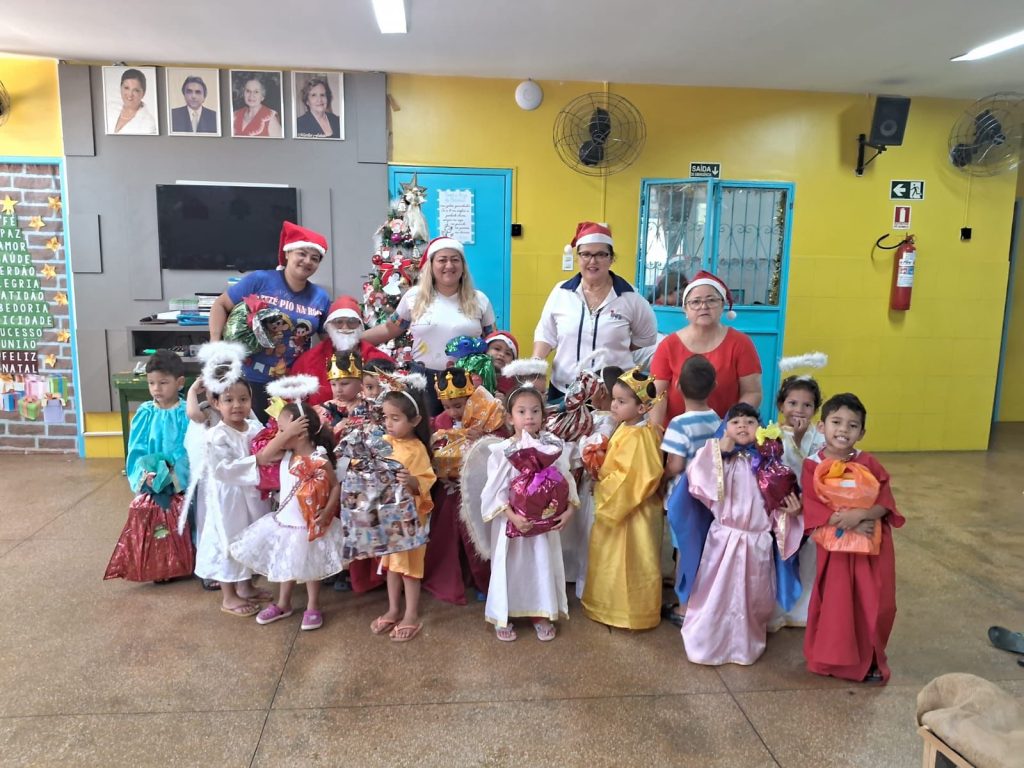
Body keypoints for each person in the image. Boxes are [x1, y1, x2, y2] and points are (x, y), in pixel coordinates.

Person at [681, 403, 802, 666]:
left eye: (749, 421)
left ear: (760, 427)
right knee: (715, 594)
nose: (743, 426)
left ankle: (745, 645)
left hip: (757, 541)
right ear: (725, 428)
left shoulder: (770, 465)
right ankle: (706, 642)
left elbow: (781, 503)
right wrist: (718, 450)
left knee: (752, 596)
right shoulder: (718, 457)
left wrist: (792, 511)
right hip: (723, 539)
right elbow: (697, 481)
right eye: (735, 422)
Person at [192, 349, 303, 617]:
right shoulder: (216, 436)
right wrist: (258, 460)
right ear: (215, 403)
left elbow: (268, 447)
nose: (237, 405)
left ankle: (245, 586)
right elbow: (222, 470)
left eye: (243, 399)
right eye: (228, 400)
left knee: (249, 538)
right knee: (228, 540)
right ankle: (228, 595)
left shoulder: (254, 428)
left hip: (252, 494)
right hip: (228, 498)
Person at [802, 393, 904, 684]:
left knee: (875, 602)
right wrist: (849, 522)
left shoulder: (868, 462)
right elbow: (813, 506)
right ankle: (831, 661)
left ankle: (869, 660)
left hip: (871, 549)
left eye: (852, 425)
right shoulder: (812, 465)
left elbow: (885, 502)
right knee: (837, 605)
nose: (843, 430)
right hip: (836, 551)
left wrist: (861, 516)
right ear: (821, 427)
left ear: (862, 432)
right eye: (836, 422)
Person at [230, 402, 345, 631]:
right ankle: (283, 603)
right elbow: (264, 455)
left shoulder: (319, 458)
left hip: (310, 525)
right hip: (285, 523)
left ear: (300, 433)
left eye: (282, 430)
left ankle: (313, 605)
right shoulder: (285, 455)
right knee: (285, 563)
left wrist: (327, 512)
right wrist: (287, 433)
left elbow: (335, 486)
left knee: (312, 567)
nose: (278, 436)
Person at [478, 386, 578, 642]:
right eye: (521, 412)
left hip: (542, 527)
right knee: (510, 566)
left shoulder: (552, 448)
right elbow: (495, 490)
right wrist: (512, 516)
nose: (529, 417)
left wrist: (568, 510)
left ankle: (540, 612)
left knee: (540, 565)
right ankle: (503, 613)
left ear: (543, 415)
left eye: (535, 411)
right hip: (512, 524)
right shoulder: (502, 451)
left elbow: (565, 480)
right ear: (510, 418)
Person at [209, 221, 331, 421]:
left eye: (315, 258)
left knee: (285, 434)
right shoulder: (260, 280)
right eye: (302, 253)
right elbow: (220, 305)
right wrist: (215, 346)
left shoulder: (321, 297)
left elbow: (328, 340)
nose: (307, 261)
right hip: (247, 380)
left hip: (290, 384)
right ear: (288, 253)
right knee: (249, 434)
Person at [361, 236, 497, 417]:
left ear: (463, 266)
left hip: (466, 381)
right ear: (431, 265)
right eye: (442, 260)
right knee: (425, 428)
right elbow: (390, 329)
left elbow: (493, 340)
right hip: (423, 381)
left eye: (455, 260)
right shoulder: (414, 297)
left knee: (467, 430)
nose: (449, 265)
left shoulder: (479, 300)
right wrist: (354, 340)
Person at [533, 222, 658, 401]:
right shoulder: (561, 292)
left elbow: (646, 338)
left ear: (611, 258)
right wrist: (536, 365)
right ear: (577, 258)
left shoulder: (631, 297)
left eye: (601, 254)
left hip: (612, 394)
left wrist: (617, 347)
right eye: (586, 254)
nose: (593, 261)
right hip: (563, 390)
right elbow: (546, 334)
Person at [582, 368, 665, 630]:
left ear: (641, 408)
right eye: (614, 399)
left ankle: (628, 613)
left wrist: (603, 487)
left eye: (621, 401)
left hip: (630, 511)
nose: (614, 405)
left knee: (628, 560)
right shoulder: (628, 427)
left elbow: (633, 478)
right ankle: (606, 605)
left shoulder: (641, 436)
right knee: (611, 559)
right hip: (621, 505)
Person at [104, 350, 194, 582]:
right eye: (152, 383)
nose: (156, 389)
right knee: (155, 523)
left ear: (179, 382)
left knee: (183, 521)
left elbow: (189, 448)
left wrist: (173, 474)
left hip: (178, 481)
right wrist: (146, 475)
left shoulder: (186, 412)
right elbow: (137, 448)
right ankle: (160, 565)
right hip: (152, 480)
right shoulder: (145, 413)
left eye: (163, 383)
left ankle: (185, 561)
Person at [422, 370, 498, 605]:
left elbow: (499, 445)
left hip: (475, 489)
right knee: (447, 537)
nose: (453, 412)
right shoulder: (440, 421)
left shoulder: (487, 417)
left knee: (476, 536)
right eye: (447, 406)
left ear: (470, 399)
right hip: (448, 488)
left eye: (458, 405)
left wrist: (482, 438)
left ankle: (483, 581)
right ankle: (450, 577)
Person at [650, 270, 762, 425]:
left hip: (726, 434)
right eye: (695, 302)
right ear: (685, 309)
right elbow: (657, 395)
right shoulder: (668, 346)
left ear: (722, 304)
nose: (704, 306)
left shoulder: (741, 343)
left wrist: (728, 428)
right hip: (676, 435)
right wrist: (655, 434)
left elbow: (752, 392)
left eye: (711, 300)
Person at [369, 388, 437, 642]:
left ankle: (411, 614)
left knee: (409, 568)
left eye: (395, 418)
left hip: (409, 521)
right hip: (389, 517)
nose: (388, 423)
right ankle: (393, 609)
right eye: (386, 417)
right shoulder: (384, 442)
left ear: (415, 420)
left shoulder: (417, 449)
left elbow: (425, 481)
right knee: (392, 565)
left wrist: (411, 481)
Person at [660, 354, 721, 626]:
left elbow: (675, 465)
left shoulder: (678, 424)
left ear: (677, 386)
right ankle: (699, 599)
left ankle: (684, 607)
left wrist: (661, 476)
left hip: (683, 499)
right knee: (701, 547)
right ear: (714, 386)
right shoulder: (717, 419)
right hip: (708, 498)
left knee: (684, 550)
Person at [768, 373, 826, 632]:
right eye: (792, 403)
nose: (799, 410)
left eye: (807, 405)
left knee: (809, 556)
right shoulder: (771, 435)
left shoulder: (820, 439)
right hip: (782, 509)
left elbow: (819, 472)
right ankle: (778, 608)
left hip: (809, 507)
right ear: (781, 405)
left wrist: (801, 439)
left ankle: (802, 610)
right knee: (780, 555)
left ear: (815, 409)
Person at [291, 295, 391, 406]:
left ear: (360, 325)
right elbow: (291, 402)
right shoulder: (307, 361)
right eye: (338, 322)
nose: (345, 327)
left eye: (351, 322)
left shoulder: (378, 359)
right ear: (329, 326)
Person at [107, 68, 157, 135]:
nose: (130, 94)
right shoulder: (109, 108)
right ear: (120, 88)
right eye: (126, 88)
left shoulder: (149, 124)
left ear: (143, 93)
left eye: (136, 90)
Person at [485, 330, 519, 399]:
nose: (502, 354)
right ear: (485, 350)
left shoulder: (514, 385)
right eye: (497, 349)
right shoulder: (474, 374)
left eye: (508, 353)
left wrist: (506, 402)